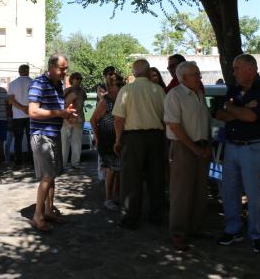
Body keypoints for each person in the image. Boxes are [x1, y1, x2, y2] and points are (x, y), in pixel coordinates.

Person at [215, 54, 260, 254]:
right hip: (232, 146)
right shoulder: (234, 89)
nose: (233, 72)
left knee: (254, 194)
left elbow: (250, 117)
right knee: (229, 191)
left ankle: (257, 235)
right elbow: (220, 114)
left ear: (250, 69)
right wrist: (238, 108)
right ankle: (233, 230)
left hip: (254, 148)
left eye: (236, 68)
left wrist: (232, 108)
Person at [112, 59, 166, 229]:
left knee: (130, 179)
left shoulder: (126, 90)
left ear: (134, 72)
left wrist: (118, 139)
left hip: (133, 138)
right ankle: (156, 215)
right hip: (156, 137)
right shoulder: (158, 90)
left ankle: (129, 217)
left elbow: (119, 119)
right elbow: (166, 118)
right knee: (156, 177)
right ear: (148, 71)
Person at [164, 62, 212, 250]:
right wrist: (194, 148)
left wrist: (206, 144)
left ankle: (196, 228)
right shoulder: (174, 95)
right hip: (183, 147)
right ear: (183, 77)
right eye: (196, 74)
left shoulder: (199, 94)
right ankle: (178, 232)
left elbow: (204, 122)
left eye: (199, 73)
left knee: (200, 190)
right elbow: (174, 126)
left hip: (200, 146)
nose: (199, 77)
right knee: (181, 192)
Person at [28, 54, 76, 232]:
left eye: (66, 68)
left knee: (52, 175)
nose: (65, 72)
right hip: (41, 136)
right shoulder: (38, 83)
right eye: (62, 68)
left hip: (54, 134)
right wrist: (58, 113)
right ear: (51, 67)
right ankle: (37, 217)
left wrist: (67, 114)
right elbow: (32, 111)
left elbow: (56, 112)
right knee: (47, 177)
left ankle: (48, 211)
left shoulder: (58, 85)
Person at [90, 73, 124, 211]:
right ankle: (108, 198)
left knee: (118, 169)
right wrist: (97, 138)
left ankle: (116, 197)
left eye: (122, 83)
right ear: (110, 85)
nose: (121, 86)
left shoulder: (123, 98)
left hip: (119, 137)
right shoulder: (106, 100)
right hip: (107, 138)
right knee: (111, 169)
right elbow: (93, 120)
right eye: (118, 84)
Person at [61, 72, 87, 169]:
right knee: (64, 143)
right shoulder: (67, 90)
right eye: (77, 78)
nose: (79, 80)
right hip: (66, 119)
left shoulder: (82, 91)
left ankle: (75, 163)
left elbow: (82, 102)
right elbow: (62, 104)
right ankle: (63, 163)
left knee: (77, 143)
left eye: (80, 78)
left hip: (78, 119)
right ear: (71, 79)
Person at [8, 64, 32, 166]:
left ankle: (18, 161)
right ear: (28, 71)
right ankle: (32, 161)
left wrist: (22, 108)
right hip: (31, 114)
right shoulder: (33, 82)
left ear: (19, 71)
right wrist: (27, 108)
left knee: (18, 139)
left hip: (17, 115)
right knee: (31, 139)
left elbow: (10, 100)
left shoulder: (13, 83)